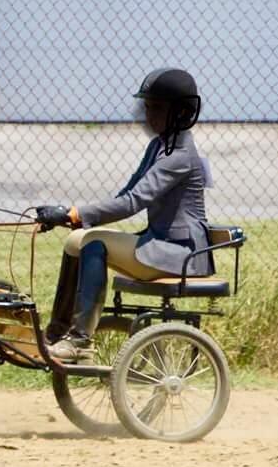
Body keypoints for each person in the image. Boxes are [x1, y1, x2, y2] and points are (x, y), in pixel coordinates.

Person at [34, 68, 214, 363]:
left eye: (156, 108)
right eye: (146, 107)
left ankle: (80, 342)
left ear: (182, 113)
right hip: (160, 244)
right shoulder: (158, 146)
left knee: (95, 244)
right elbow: (125, 194)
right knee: (75, 241)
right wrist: (72, 218)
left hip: (181, 254)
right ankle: (56, 332)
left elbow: (133, 202)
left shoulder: (179, 156)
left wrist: (74, 213)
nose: (148, 116)